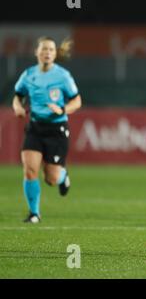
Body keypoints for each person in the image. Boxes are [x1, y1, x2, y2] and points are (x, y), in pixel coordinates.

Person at [12, 36, 82, 223]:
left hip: (57, 129)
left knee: (51, 178)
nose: (47, 53)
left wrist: (62, 109)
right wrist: (18, 107)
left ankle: (62, 176)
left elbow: (77, 101)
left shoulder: (63, 76)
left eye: (51, 50)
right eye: (44, 49)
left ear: (55, 54)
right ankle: (34, 213)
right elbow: (17, 96)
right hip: (35, 128)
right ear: (37, 52)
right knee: (29, 170)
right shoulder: (28, 75)